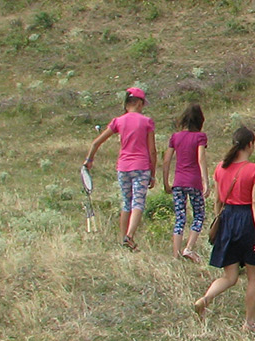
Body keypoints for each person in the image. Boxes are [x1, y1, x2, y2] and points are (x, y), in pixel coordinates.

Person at [195, 125, 255, 331]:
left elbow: (218, 200)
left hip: (227, 219)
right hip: (247, 221)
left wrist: (218, 220)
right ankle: (249, 323)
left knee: (230, 276)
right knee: (254, 277)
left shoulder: (220, 167)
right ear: (251, 144)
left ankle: (206, 298)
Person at [84, 86, 156, 250]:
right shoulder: (146, 122)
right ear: (139, 103)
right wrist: (153, 173)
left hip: (123, 167)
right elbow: (152, 150)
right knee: (138, 203)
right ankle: (130, 236)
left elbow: (96, 142)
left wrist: (89, 159)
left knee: (126, 202)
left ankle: (123, 239)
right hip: (141, 166)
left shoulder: (118, 121)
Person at [161, 102, 211, 265]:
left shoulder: (175, 137)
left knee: (180, 217)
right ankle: (189, 247)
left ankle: (175, 255)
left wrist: (166, 182)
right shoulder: (200, 137)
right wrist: (206, 181)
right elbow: (200, 158)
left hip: (179, 182)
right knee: (198, 215)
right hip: (194, 181)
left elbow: (167, 160)